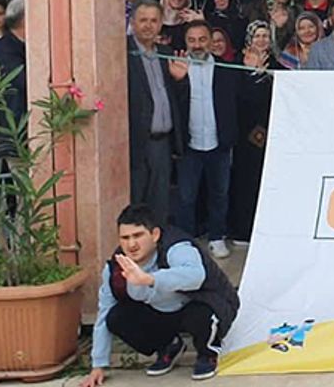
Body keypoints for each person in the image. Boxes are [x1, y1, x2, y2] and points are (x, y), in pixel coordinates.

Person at [80, 204, 240, 385]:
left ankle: (208, 352)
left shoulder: (177, 246)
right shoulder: (117, 267)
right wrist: (98, 365)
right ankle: (169, 346)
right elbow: (103, 314)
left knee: (199, 314)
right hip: (162, 311)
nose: (131, 244)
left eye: (138, 235)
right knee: (115, 317)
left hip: (207, 303)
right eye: (125, 238)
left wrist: (150, 279)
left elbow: (196, 276)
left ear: (155, 234)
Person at [167, 21, 246, 260]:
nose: (197, 45)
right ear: (185, 42)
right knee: (186, 197)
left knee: (219, 194)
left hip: (218, 143)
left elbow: (242, 99)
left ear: (211, 41)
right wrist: (178, 81)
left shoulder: (226, 68)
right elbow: (174, 103)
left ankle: (216, 237)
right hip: (189, 144)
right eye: (192, 40)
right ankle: (185, 242)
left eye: (202, 39)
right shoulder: (177, 68)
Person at [126, 0, 184, 224]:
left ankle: (157, 243)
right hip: (136, 142)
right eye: (143, 20)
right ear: (133, 22)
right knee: (135, 204)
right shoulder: (123, 52)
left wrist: (181, 81)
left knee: (160, 203)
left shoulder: (166, 53)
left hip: (163, 143)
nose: (148, 26)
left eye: (154, 21)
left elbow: (178, 99)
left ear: (161, 24)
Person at [229, 21, 276, 243]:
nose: (262, 40)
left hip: (272, 132)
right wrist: (252, 73)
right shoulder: (238, 64)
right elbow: (239, 96)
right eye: (257, 36)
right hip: (244, 134)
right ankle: (243, 230)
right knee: (245, 180)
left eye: (266, 36)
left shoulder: (277, 63)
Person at [0, 0, 27, 121]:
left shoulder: (20, 43)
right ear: (24, 20)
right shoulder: (4, 49)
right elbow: (21, 80)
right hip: (13, 118)